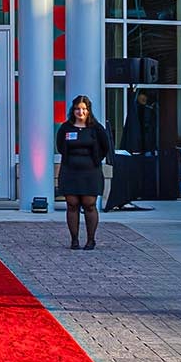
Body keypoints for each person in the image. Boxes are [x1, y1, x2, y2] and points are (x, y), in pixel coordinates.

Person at [56, 94, 111, 250]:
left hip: (90, 172)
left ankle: (90, 240)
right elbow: (60, 146)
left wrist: (94, 159)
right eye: (77, 109)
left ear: (88, 111)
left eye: (83, 109)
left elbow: (105, 146)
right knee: (72, 204)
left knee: (89, 204)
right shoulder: (66, 128)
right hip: (70, 170)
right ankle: (74, 240)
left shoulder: (96, 128)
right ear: (73, 111)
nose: (80, 112)